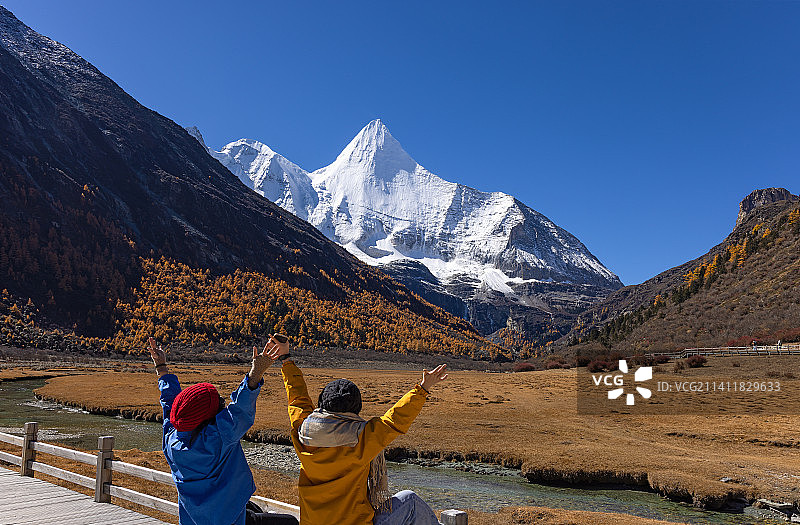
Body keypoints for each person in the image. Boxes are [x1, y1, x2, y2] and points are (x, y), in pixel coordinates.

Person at [275, 340, 448, 525]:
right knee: (410, 500)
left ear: (322, 405)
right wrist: (422, 388)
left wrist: (286, 359)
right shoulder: (361, 439)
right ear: (355, 409)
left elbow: (297, 400)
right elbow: (394, 419)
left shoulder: (304, 431)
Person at [149, 336, 298, 525]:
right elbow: (240, 410)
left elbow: (170, 401)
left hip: (194, 520)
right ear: (207, 416)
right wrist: (256, 372)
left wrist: (161, 366)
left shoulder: (172, 436)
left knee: (253, 508)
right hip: (230, 520)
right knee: (290, 522)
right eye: (218, 402)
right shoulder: (217, 439)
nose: (222, 402)